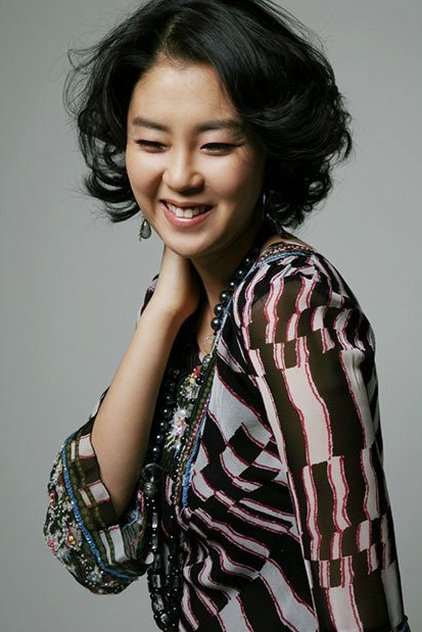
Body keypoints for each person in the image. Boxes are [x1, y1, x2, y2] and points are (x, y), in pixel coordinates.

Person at [43, 0, 411, 630]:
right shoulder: (184, 303)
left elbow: (354, 575)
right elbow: (89, 546)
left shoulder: (290, 305)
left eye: (215, 145)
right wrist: (163, 313)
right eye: (151, 142)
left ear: (270, 145)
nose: (180, 175)